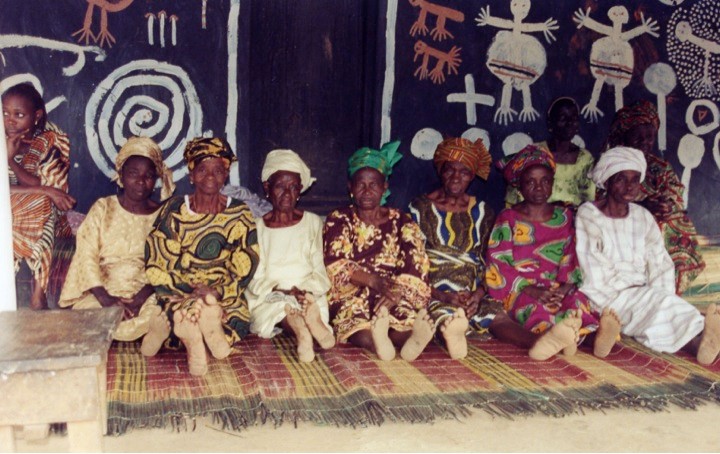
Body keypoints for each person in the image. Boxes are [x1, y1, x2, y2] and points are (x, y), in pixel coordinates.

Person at [576, 146, 720, 364]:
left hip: (645, 294)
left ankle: (702, 343)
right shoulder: (589, 214)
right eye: (621, 179)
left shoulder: (642, 216)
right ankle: (702, 341)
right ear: (606, 182)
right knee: (662, 311)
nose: (629, 186)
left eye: (635, 180)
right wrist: (642, 295)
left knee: (662, 309)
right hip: (607, 299)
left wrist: (660, 294)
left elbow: (659, 262)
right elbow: (590, 265)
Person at [486, 145, 619, 361]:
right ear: (519, 186)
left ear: (552, 183)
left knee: (577, 301)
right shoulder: (508, 217)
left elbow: (571, 254)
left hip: (555, 286)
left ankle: (593, 338)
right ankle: (557, 338)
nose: (538, 187)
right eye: (530, 182)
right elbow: (498, 262)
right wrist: (529, 289)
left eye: (545, 181)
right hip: (521, 288)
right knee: (534, 310)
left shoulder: (564, 216)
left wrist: (566, 286)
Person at [145, 137, 260, 376]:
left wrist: (216, 291)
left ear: (226, 175)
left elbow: (247, 260)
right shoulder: (174, 210)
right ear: (191, 175)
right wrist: (192, 289)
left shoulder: (239, 212)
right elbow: (158, 261)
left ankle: (198, 334)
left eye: (218, 170)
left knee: (238, 316)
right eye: (203, 170)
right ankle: (202, 337)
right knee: (181, 310)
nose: (211, 176)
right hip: (181, 289)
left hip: (222, 291)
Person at [59, 137, 175, 351]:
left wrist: (143, 295)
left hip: (144, 290)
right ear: (121, 175)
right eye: (133, 174)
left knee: (159, 308)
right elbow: (86, 255)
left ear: (157, 179)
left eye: (149, 176)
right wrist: (106, 299)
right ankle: (137, 329)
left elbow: (167, 261)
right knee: (86, 312)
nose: (141, 181)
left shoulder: (163, 215)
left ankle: (146, 328)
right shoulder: (103, 208)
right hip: (103, 289)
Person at [323, 141, 433, 362]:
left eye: (374, 184)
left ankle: (410, 341)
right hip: (353, 290)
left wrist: (396, 292)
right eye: (360, 184)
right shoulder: (339, 218)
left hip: (393, 291)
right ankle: (378, 343)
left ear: (385, 187)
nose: (367, 191)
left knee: (404, 316)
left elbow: (416, 261)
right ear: (350, 187)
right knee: (354, 317)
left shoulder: (403, 221)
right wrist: (373, 281)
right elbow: (335, 263)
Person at [408, 137, 500, 359]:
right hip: (434, 288)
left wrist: (478, 295)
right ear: (440, 170)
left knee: (499, 315)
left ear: (472, 176)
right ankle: (450, 332)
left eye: (464, 172)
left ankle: (539, 343)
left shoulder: (483, 212)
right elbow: (411, 260)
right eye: (450, 170)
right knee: (437, 315)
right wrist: (441, 295)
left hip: (472, 290)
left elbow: (491, 259)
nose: (456, 177)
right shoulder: (419, 209)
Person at [604, 100, 704, 294]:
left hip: (654, 220)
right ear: (624, 137)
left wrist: (665, 204)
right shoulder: (611, 165)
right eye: (638, 137)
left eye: (650, 137)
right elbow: (602, 200)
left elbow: (675, 192)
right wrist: (641, 206)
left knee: (674, 219)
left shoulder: (660, 166)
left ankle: (667, 291)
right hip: (619, 220)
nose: (645, 142)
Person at [246, 149, 335, 363]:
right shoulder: (257, 227)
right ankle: (300, 330)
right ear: (267, 188)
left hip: (307, 290)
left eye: (294, 187)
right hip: (271, 292)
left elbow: (318, 267)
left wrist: (304, 290)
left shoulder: (313, 222)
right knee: (276, 307)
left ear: (300, 191)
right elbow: (256, 276)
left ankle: (309, 322)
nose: (287, 193)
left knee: (310, 304)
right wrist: (282, 291)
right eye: (280, 187)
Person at [3, 83, 76, 310]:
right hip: (9, 209)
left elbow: (54, 192)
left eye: (19, 114)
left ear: (36, 116)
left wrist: (9, 162)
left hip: (45, 215)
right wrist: (43, 189)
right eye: (4, 113)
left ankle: (38, 292)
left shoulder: (52, 140)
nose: (10, 120)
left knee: (40, 203)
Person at [506, 97, 595, 207]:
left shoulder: (585, 159)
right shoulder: (534, 153)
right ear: (550, 123)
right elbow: (514, 196)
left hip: (573, 220)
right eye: (563, 118)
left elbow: (590, 200)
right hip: (535, 218)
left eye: (574, 118)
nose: (570, 123)